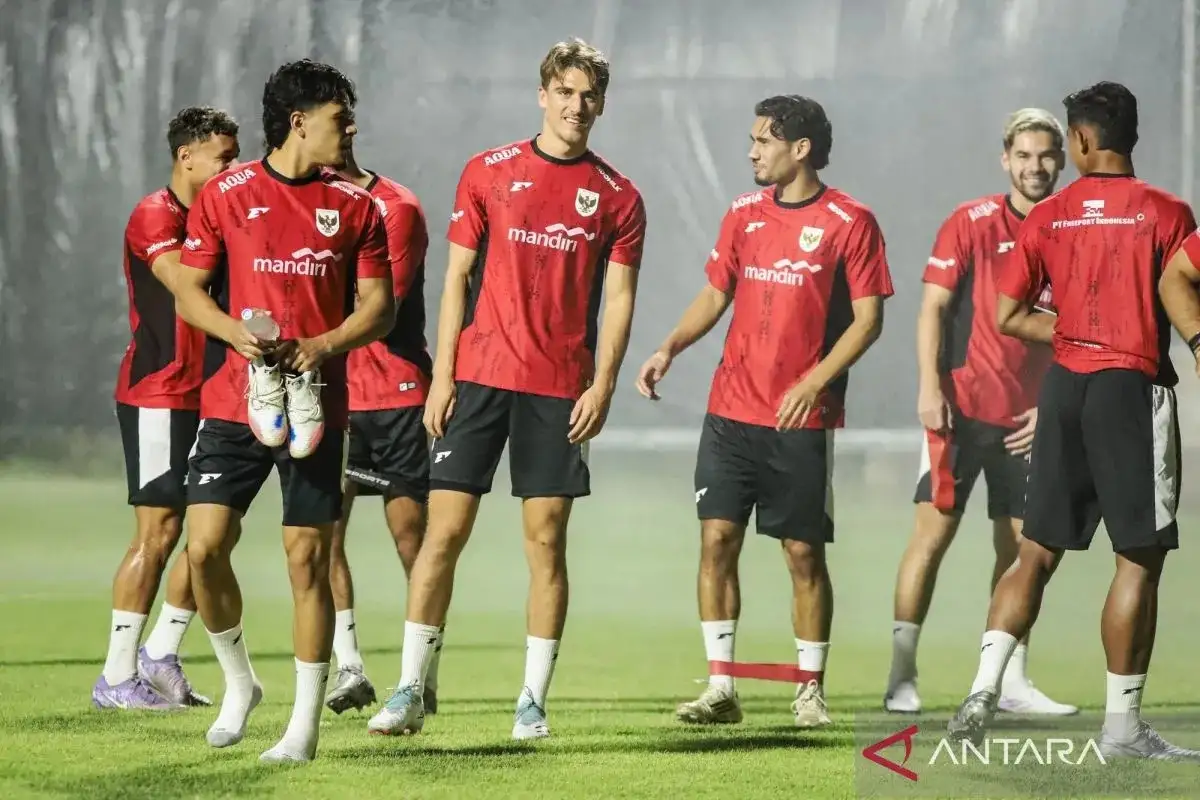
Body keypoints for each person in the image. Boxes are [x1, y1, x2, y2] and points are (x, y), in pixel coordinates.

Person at [367, 37, 646, 741]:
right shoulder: (488, 172)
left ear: (601, 104)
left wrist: (604, 384)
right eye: (565, 92)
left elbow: (618, 299)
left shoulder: (619, 198)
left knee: (546, 543)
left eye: (589, 96)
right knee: (444, 534)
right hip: (480, 381)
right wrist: (443, 375)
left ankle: (531, 703)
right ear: (542, 94)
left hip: (558, 390)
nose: (577, 106)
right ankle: (407, 692)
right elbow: (457, 278)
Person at [947, 81, 1200, 761]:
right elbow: (1185, 288)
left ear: (1081, 140)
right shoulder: (1167, 211)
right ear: (1130, 136)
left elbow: (1004, 315)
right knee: (1139, 557)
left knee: (1036, 550)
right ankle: (1122, 732)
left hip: (1063, 387)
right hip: (1129, 389)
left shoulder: (1049, 215)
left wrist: (1073, 333)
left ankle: (982, 690)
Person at [635, 95, 894, 728]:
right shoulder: (742, 215)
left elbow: (869, 321)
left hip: (799, 421)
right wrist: (669, 346)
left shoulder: (850, 221)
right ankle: (721, 687)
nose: (752, 151)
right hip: (730, 413)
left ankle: (809, 690)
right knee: (717, 540)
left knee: (803, 555)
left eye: (763, 141)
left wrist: (816, 381)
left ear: (800, 148)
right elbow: (715, 292)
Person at [172, 59, 394, 763]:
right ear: (299, 121)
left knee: (307, 558)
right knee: (203, 549)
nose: (350, 130)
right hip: (234, 402)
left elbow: (379, 308)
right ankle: (240, 684)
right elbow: (189, 292)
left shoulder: (359, 207)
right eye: (339, 118)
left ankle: (303, 730)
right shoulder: (226, 195)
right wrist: (235, 332)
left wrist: (324, 344)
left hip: (317, 404)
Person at [884, 108, 1076, 716]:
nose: (1035, 166)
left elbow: (1082, 332)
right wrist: (927, 387)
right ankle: (902, 677)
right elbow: (933, 309)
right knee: (931, 538)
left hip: (1030, 423)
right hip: (959, 412)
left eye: (1046, 155)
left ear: (1061, 160)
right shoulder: (969, 223)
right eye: (1024, 155)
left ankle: (1008, 680)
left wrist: (1054, 409)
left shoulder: (1073, 229)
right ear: (1005, 160)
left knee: (1024, 551)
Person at [95, 106, 239, 711]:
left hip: (214, 392)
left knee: (215, 528)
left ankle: (159, 656)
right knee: (158, 530)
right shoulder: (155, 214)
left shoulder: (223, 215)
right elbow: (185, 287)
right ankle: (115, 676)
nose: (234, 168)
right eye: (224, 158)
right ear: (188, 157)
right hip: (160, 392)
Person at [323, 143, 444, 715]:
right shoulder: (295, 201)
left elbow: (381, 305)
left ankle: (421, 674)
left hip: (395, 392)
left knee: (410, 538)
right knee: (320, 534)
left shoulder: (395, 207)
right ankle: (349, 669)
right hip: (328, 392)